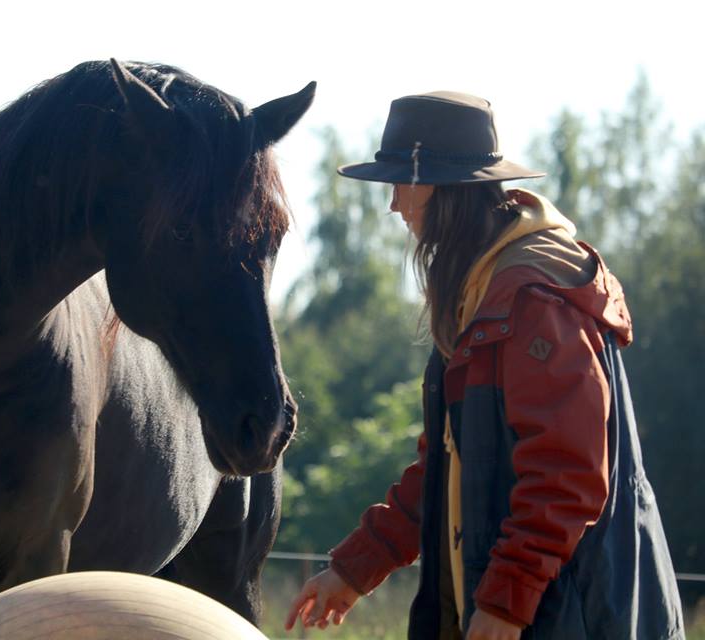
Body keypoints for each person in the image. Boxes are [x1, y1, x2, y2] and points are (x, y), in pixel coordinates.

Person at [284, 92, 685, 640]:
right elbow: (449, 470)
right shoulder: (485, 294)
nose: (396, 205)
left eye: (403, 183)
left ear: (437, 188)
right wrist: (355, 569)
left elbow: (565, 477)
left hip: (572, 617)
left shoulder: (531, 302)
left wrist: (505, 604)